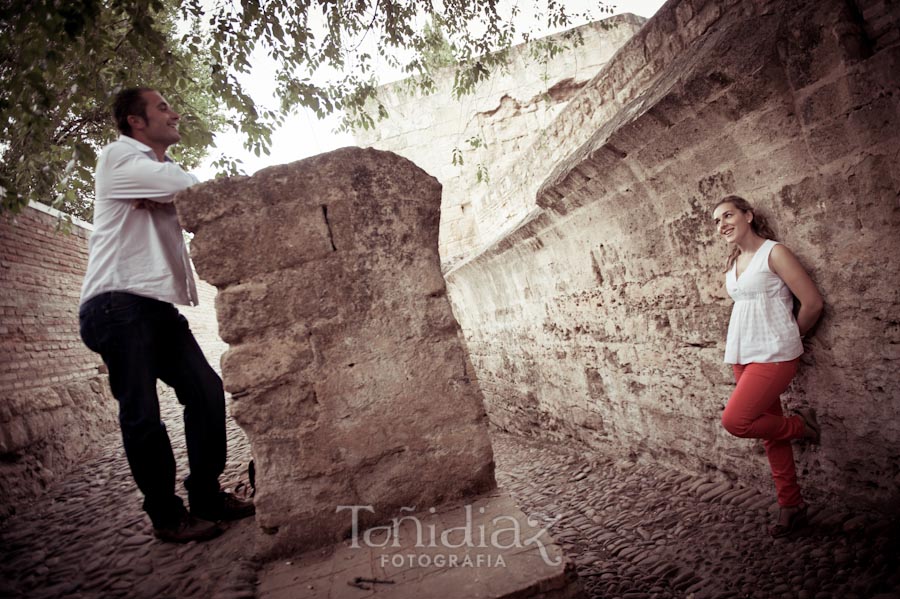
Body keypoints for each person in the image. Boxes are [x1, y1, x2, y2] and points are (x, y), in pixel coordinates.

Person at [79, 87, 254, 543]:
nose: (174, 113)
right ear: (136, 122)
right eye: (162, 108)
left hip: (150, 305)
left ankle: (206, 495)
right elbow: (190, 190)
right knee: (142, 414)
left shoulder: (151, 169)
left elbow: (184, 193)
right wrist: (170, 195)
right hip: (115, 303)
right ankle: (166, 516)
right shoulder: (119, 157)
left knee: (205, 389)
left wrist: (167, 197)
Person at [712, 195, 824, 538]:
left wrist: (789, 336)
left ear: (748, 215)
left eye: (728, 215)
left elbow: (812, 303)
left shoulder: (774, 253)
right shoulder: (734, 263)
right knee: (767, 430)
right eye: (716, 221)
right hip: (742, 355)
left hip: (774, 354)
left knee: (736, 421)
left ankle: (802, 426)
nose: (722, 225)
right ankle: (791, 505)